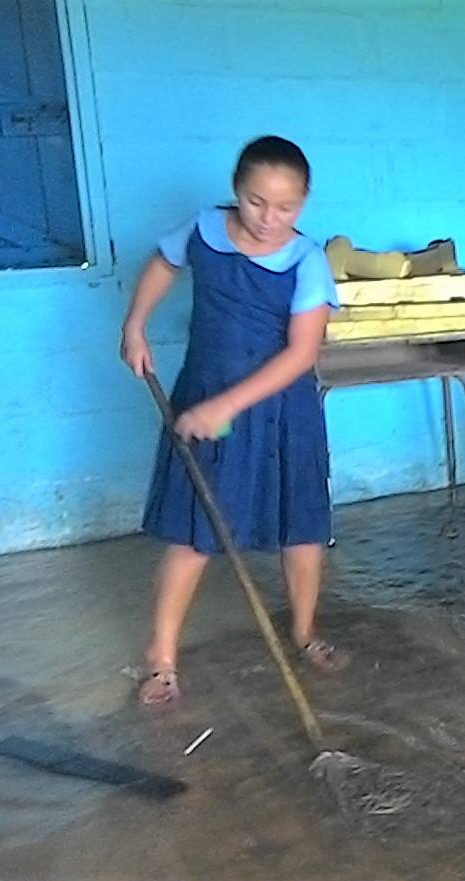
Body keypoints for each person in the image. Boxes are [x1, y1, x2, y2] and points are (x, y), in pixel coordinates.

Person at [119, 136, 346, 706]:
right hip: (206, 397)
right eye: (256, 202)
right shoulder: (202, 231)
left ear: (304, 202)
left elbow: (300, 355)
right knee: (199, 527)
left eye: (286, 207)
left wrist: (226, 407)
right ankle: (162, 659)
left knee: (301, 524)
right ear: (236, 192)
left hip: (279, 411)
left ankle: (304, 633)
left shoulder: (306, 261)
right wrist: (135, 326)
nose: (270, 218)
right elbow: (162, 262)